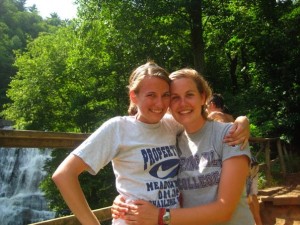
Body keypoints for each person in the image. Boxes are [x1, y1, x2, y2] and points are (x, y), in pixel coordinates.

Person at [52, 62, 250, 225]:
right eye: (151, 95)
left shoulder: (173, 126)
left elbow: (204, 121)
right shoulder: (118, 128)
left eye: (165, 95)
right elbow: (64, 175)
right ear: (133, 96)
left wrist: (242, 121)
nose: (160, 104)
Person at [112, 68, 254, 225]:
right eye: (174, 98)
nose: (183, 103)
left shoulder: (228, 135)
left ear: (203, 97)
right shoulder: (172, 139)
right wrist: (125, 199)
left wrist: (161, 217)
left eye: (189, 95)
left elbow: (225, 210)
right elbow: (157, 184)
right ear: (169, 105)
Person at [208, 93, 263, 225]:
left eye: (206, 105)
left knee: (243, 198)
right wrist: (244, 119)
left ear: (212, 105)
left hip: (237, 162)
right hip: (250, 161)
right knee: (251, 196)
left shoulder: (214, 117)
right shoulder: (230, 116)